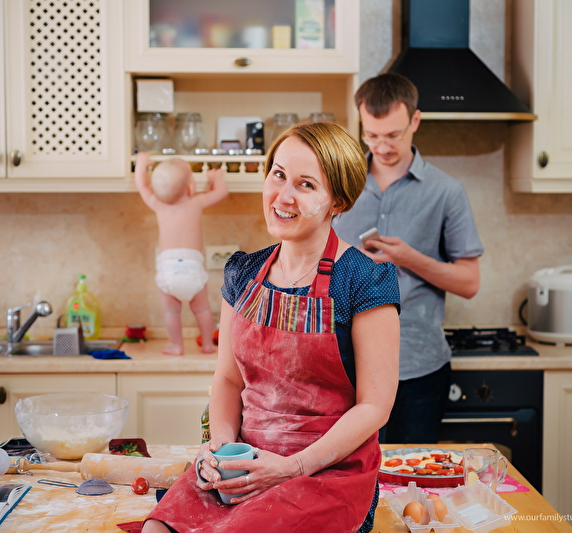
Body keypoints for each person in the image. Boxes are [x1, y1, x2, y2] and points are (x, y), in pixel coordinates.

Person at [122, 122, 401, 533]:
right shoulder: (243, 274)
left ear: (337, 201)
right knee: (157, 528)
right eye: (278, 175)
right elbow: (228, 379)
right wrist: (219, 449)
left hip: (325, 473)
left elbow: (375, 406)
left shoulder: (364, 280)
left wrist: (293, 466)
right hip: (244, 465)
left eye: (306, 185)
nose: (283, 196)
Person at [332, 72, 484, 444]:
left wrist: (410, 258)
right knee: (351, 472)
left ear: (415, 120)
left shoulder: (446, 192)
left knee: (413, 472)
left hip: (418, 367)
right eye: (371, 135)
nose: (382, 146)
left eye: (393, 135)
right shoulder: (340, 184)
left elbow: (470, 283)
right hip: (344, 363)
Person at [135, 153, 229, 355]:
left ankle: (177, 346)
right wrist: (216, 178)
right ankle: (207, 344)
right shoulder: (196, 202)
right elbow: (222, 192)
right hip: (192, 267)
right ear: (190, 188)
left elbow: (142, 186)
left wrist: (141, 165)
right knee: (202, 310)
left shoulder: (158, 204)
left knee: (171, 312)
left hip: (168, 268)